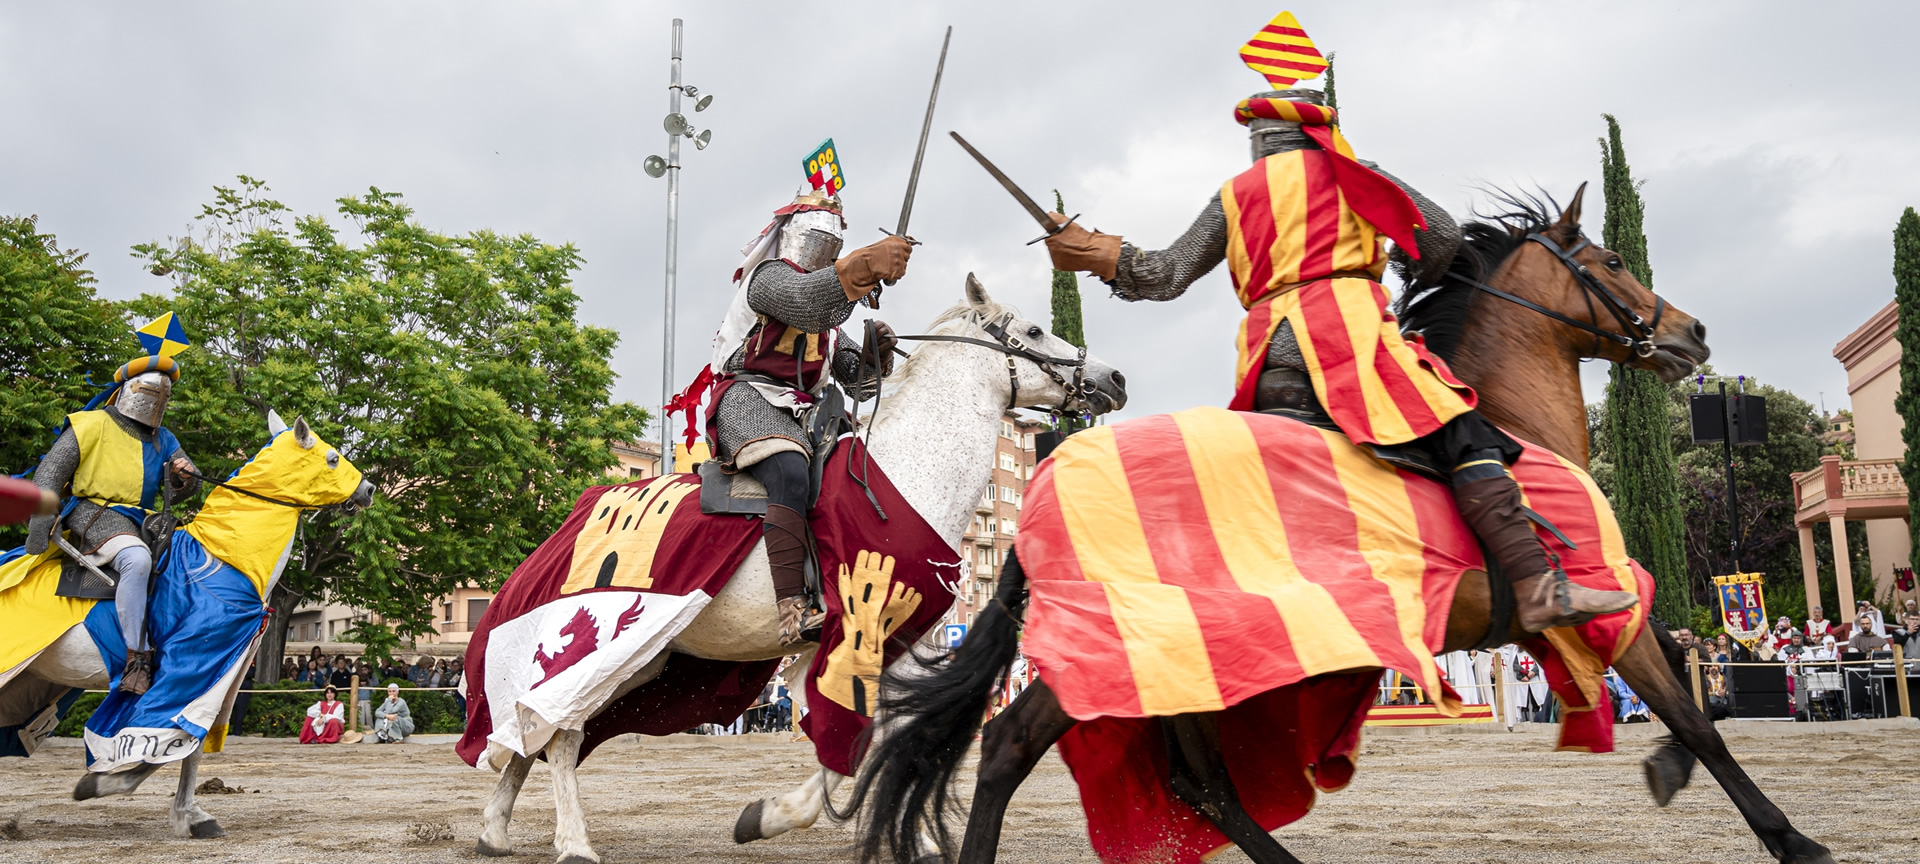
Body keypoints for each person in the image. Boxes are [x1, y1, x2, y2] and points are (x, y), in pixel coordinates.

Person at [1036, 52, 1636, 636]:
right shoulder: (1353, 172)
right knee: (1465, 429)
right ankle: (1535, 585)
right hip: (1350, 351)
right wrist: (1412, 271)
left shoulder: (1235, 193)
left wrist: (1094, 250)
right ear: (1316, 127)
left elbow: (1164, 274)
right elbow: (1444, 237)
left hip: (1269, 366)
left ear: (1260, 134)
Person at [698, 174, 910, 645]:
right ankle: (791, 606)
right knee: (791, 470)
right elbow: (807, 305)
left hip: (809, 411)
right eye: (817, 236)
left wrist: (879, 352)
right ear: (791, 234)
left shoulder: (831, 320)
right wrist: (867, 266)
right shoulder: (767, 279)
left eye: (833, 242)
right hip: (750, 398)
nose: (823, 247)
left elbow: (861, 383)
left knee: (860, 472)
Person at [22, 344, 199, 695]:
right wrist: (38, 532)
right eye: (149, 391)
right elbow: (49, 476)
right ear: (128, 390)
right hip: (96, 514)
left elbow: (188, 484)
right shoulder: (90, 425)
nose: (155, 401)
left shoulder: (164, 438)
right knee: (136, 559)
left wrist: (184, 475)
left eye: (162, 396)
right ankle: (137, 656)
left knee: (192, 564)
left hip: (147, 520)